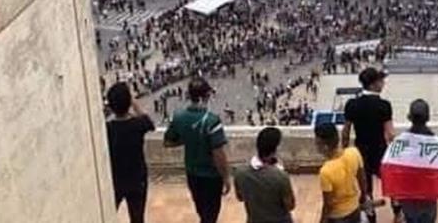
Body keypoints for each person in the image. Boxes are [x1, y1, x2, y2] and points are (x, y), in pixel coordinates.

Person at [164, 76, 231, 223]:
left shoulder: (179, 117)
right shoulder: (212, 120)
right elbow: (218, 154)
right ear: (206, 96)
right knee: (211, 214)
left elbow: (168, 142)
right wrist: (226, 177)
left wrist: (187, 139)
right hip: (211, 175)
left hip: (192, 173)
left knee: (201, 210)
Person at [341, 67, 396, 223]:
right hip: (380, 150)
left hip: (360, 152)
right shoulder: (384, 105)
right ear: (373, 84)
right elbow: (390, 134)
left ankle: (371, 217)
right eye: (381, 80)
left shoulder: (352, 104)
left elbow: (345, 133)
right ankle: (397, 212)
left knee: (365, 188)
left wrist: (344, 152)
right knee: (391, 182)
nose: (383, 83)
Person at [106, 82, 156, 223]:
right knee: (137, 218)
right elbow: (150, 123)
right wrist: (135, 103)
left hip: (115, 179)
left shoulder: (108, 129)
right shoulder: (138, 124)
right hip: (137, 179)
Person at [234, 126, 296, 223]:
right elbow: (290, 206)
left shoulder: (240, 172)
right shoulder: (281, 176)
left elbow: (240, 197)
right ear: (276, 148)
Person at [316, 122, 372, 223]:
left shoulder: (325, 171)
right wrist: (363, 196)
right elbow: (363, 180)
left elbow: (328, 204)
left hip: (337, 216)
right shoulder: (354, 152)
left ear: (324, 146)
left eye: (317, 143)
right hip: (355, 210)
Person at [397, 100, 438, 223]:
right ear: (428, 117)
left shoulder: (401, 141)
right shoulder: (435, 142)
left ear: (409, 117)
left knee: (410, 218)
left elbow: (393, 167)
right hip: (428, 193)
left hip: (408, 193)